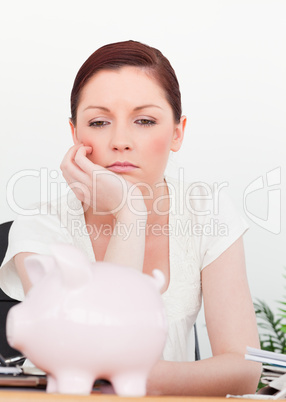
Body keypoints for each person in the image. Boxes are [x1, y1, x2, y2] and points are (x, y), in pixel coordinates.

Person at [0, 40, 261, 395]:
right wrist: (130, 212)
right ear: (75, 134)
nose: (120, 141)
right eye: (99, 121)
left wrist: (139, 377)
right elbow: (98, 354)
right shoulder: (42, 225)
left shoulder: (206, 210)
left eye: (144, 120)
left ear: (177, 132)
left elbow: (244, 369)